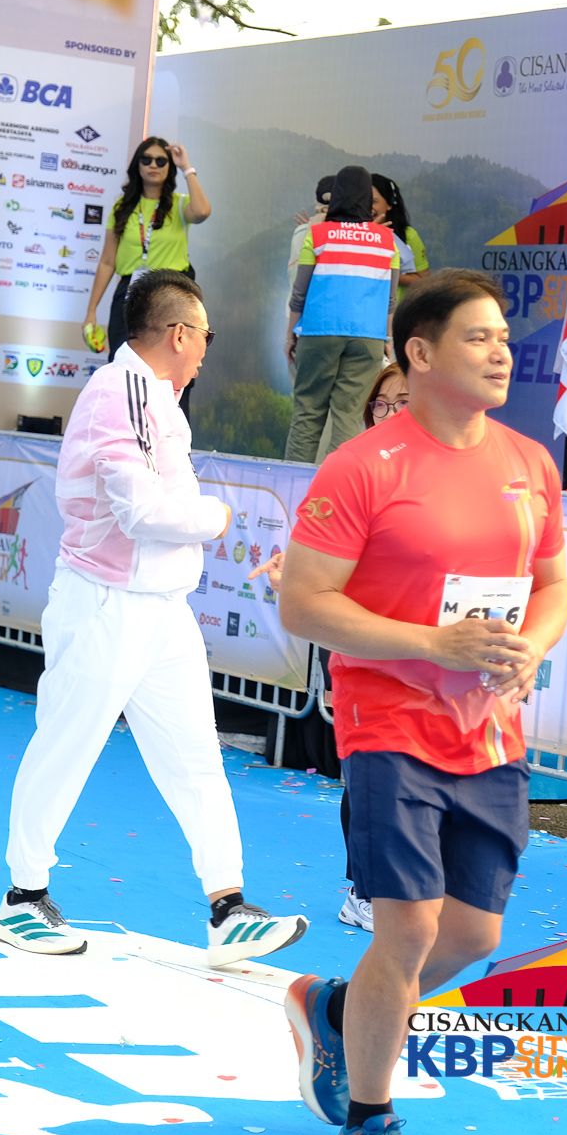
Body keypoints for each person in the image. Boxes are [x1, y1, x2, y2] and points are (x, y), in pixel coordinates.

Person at [277, 270, 567, 1135]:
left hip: (491, 729)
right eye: (478, 337)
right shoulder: (364, 466)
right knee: (405, 928)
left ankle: (338, 1010)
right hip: (388, 724)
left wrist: (532, 646)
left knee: (473, 935)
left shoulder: (529, 463)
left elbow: (553, 585)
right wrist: (430, 644)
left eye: (503, 337)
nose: (500, 352)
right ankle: (366, 1129)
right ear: (421, 353)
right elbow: (302, 602)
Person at [0, 269, 306, 968]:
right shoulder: (123, 392)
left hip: (159, 608)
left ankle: (229, 908)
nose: (206, 353)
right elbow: (144, 512)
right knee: (67, 743)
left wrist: (201, 518)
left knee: (196, 758)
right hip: (107, 602)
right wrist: (217, 516)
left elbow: (154, 509)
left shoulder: (153, 397)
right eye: (206, 337)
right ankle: (23, 897)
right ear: (180, 334)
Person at [249, 363, 411, 934]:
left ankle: (399, 888)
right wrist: (291, 576)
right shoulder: (353, 469)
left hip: (419, 649)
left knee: (412, 778)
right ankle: (364, 889)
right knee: (369, 773)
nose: (389, 413)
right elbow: (318, 558)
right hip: (356, 643)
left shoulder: (442, 478)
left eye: (403, 402)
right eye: (382, 404)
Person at [283, 166, 399, 465]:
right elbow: (390, 301)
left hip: (318, 332)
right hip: (368, 337)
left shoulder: (317, 235)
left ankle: (292, 484)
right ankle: (335, 487)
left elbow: (299, 293)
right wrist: (387, 339)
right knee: (349, 416)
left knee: (308, 412)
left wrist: (290, 334)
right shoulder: (388, 241)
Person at [84, 136, 211, 358]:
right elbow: (107, 262)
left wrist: (186, 167)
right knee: (123, 358)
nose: (153, 165)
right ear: (138, 165)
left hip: (171, 293)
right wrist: (91, 311)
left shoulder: (180, 204)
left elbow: (202, 212)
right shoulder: (122, 207)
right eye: (146, 159)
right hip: (130, 292)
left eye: (161, 161)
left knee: (171, 361)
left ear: (169, 167)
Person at [371, 173, 429, 295]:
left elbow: (423, 280)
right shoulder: (352, 234)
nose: (367, 207)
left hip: (396, 306)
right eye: (362, 201)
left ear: (389, 204)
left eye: (373, 201)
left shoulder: (408, 236)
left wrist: (389, 273)